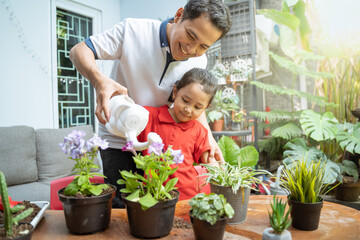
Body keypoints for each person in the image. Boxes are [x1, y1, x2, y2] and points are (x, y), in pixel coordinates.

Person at [69, 0, 231, 208]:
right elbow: (79, 51)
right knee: (123, 206)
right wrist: (100, 81)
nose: (191, 49)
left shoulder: (199, 61)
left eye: (203, 46)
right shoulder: (133, 31)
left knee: (156, 207)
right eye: (191, 36)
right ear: (179, 15)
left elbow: (196, 104)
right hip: (119, 138)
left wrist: (209, 139)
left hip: (158, 146)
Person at [137, 68, 218, 200]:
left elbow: (209, 161)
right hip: (153, 196)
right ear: (175, 92)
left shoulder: (199, 130)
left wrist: (224, 178)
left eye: (197, 107)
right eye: (185, 100)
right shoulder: (148, 117)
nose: (188, 109)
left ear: (205, 108)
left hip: (189, 198)